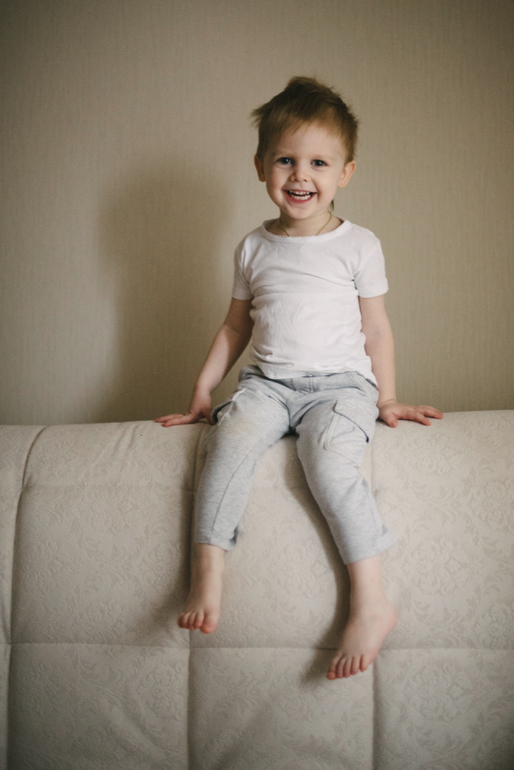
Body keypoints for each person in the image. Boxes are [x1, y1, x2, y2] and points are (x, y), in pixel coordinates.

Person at [157, 76, 443, 679]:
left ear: (346, 173)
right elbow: (234, 327)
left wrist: (387, 397)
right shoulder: (253, 247)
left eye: (318, 162)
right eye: (285, 160)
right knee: (225, 445)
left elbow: (377, 329)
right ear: (261, 166)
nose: (300, 175)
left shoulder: (358, 245)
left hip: (341, 388)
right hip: (267, 384)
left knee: (329, 463)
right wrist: (203, 390)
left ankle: (371, 601)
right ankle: (207, 573)